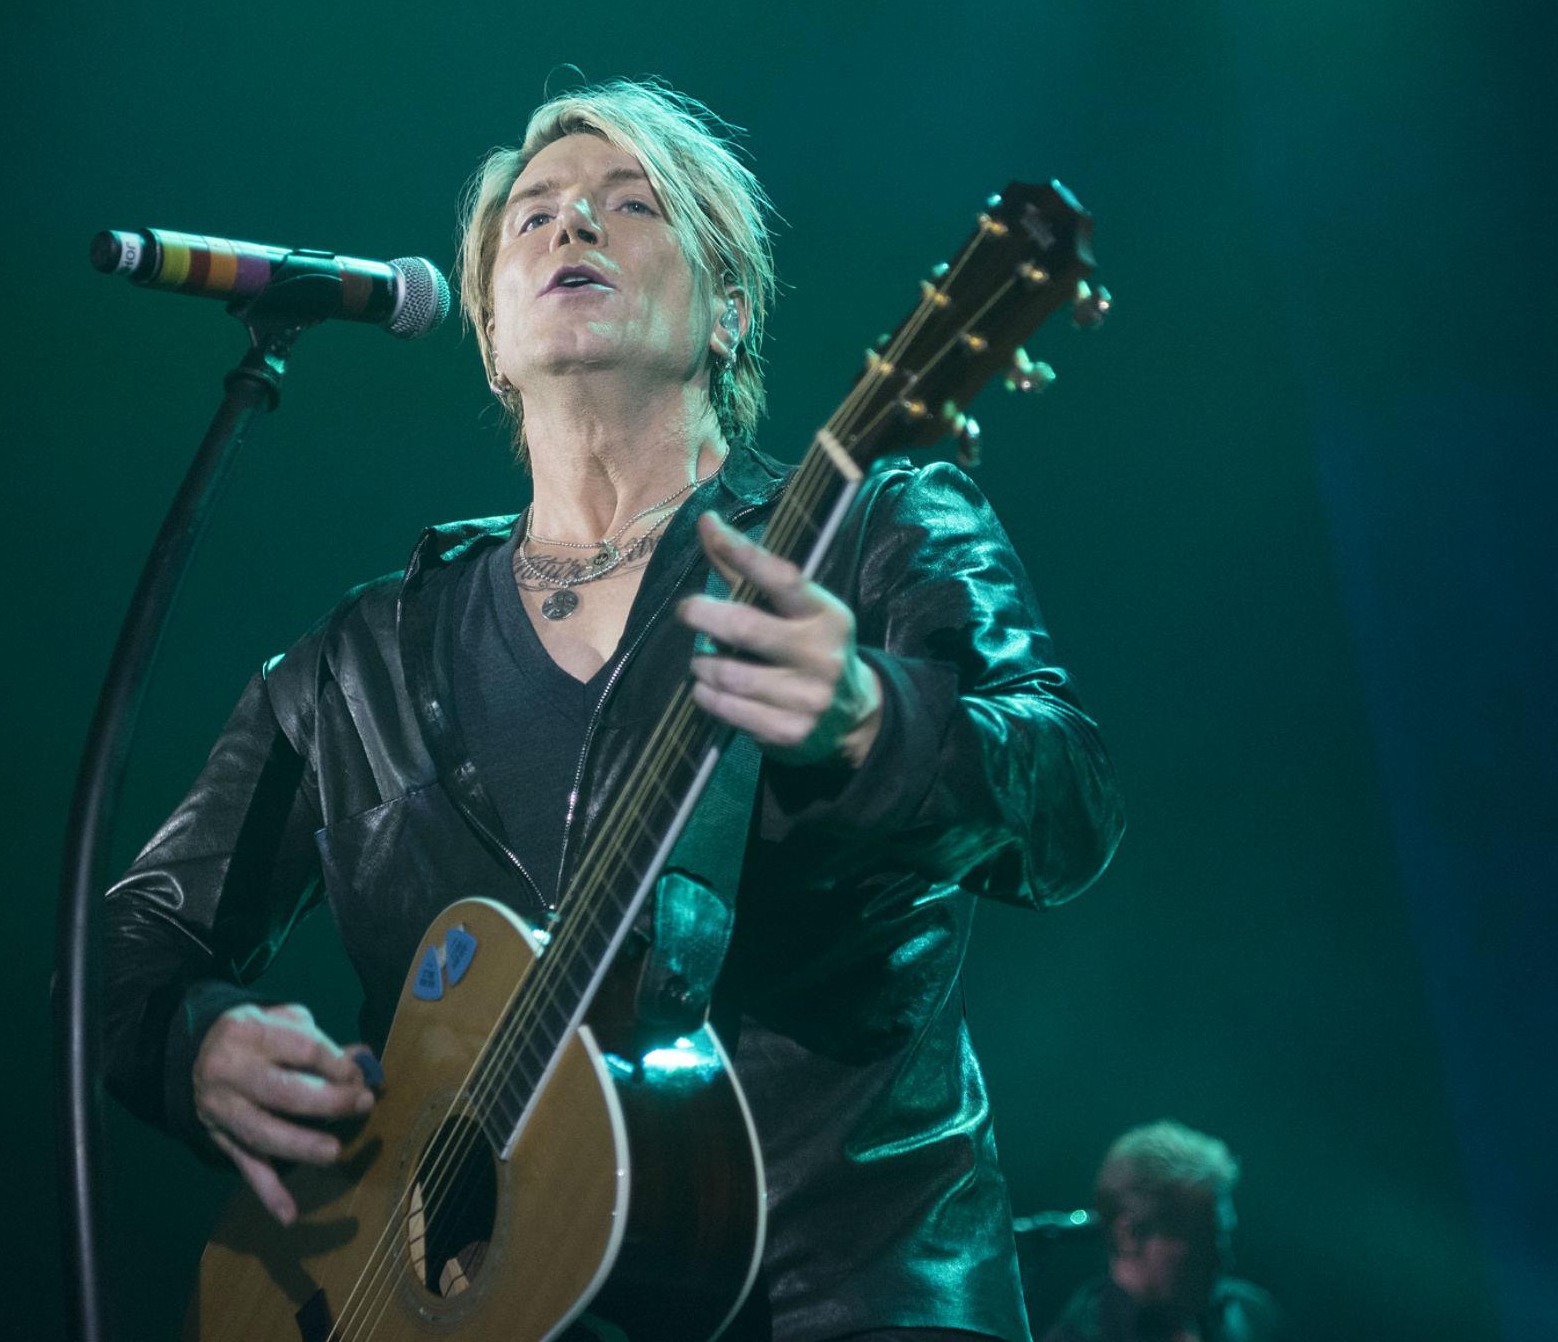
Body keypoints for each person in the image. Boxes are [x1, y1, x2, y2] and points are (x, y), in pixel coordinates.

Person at [103, 77, 1126, 1341]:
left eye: (626, 204)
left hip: (844, 1291)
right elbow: (135, 938)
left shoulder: (873, 530)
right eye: (529, 217)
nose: (568, 226)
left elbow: (1070, 801)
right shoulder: (353, 662)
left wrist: (871, 719)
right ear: (485, 331)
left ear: (730, 311)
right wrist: (190, 1045)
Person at [1043, 1122, 1285, 1342]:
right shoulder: (1077, 1337)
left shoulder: (1251, 1315)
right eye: (1201, 1240)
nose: (1222, 1257)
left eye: (1222, 1236)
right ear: (1129, 1235)